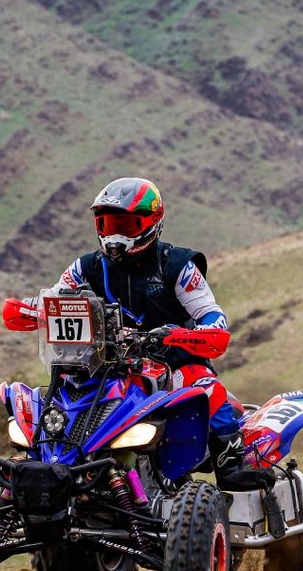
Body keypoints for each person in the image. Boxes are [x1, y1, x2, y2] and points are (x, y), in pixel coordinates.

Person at [19, 176, 268, 491]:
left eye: (125, 225)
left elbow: (212, 315)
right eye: (108, 224)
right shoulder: (86, 267)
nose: (115, 235)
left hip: (172, 362)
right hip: (104, 364)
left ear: (151, 223)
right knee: (54, 404)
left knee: (207, 391)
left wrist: (187, 334)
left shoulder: (177, 266)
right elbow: (51, 301)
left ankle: (231, 468)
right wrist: (26, 311)